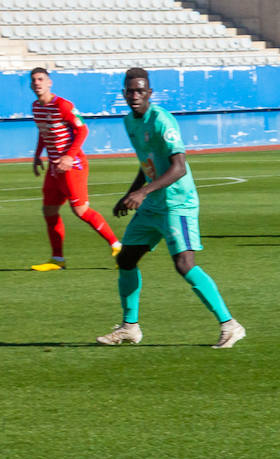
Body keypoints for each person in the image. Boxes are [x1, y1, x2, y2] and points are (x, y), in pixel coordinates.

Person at [101, 68, 245, 349]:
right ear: (123, 94)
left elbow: (178, 167)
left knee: (184, 264)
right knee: (127, 259)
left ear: (149, 94)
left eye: (140, 91)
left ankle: (230, 325)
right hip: (153, 201)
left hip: (177, 202)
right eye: (130, 91)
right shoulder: (130, 122)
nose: (134, 96)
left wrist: (141, 193)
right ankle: (130, 327)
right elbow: (148, 162)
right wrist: (131, 193)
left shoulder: (161, 120)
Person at [28, 67, 120, 271]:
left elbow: (83, 129)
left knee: (81, 210)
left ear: (49, 82)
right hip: (54, 167)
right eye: (33, 80)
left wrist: (69, 156)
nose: (37, 83)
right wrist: (37, 155)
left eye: (41, 79)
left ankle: (117, 246)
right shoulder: (36, 107)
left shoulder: (63, 105)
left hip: (73, 165)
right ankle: (57, 259)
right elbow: (44, 132)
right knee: (49, 210)